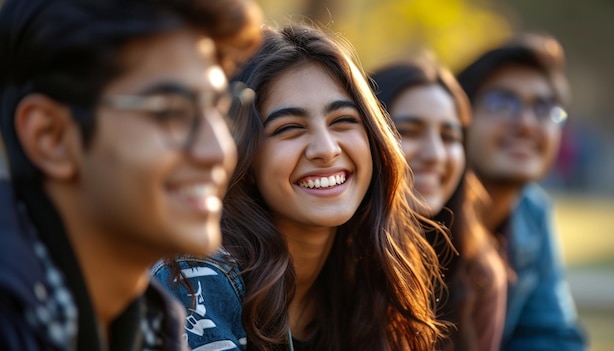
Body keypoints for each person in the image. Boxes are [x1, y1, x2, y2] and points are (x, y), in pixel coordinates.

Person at [153, 23, 448, 351]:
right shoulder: (197, 276)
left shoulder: (367, 278)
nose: (326, 148)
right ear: (244, 157)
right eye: (290, 128)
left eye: (343, 121)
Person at [0, 0, 262, 349]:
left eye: (218, 107)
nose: (218, 150)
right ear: (51, 137)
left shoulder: (155, 328)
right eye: (171, 112)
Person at [456, 33, 588, 350]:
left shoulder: (532, 211)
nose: (527, 124)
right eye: (502, 102)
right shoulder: (418, 209)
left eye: (544, 108)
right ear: (460, 116)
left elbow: (553, 335)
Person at [370, 57, 507, 351]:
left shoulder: (480, 275)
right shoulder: (325, 255)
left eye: (449, 136)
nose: (435, 154)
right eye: (408, 131)